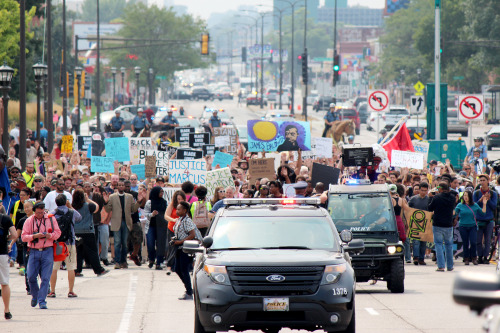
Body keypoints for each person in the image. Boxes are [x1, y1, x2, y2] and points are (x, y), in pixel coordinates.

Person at [21, 201, 61, 309]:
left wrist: (50, 235)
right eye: (38, 213)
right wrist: (34, 236)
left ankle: (42, 301)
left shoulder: (51, 219)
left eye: (42, 212)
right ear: (34, 212)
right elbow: (23, 237)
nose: (40, 215)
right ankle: (35, 295)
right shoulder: (29, 221)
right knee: (31, 277)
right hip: (33, 251)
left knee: (45, 278)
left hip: (48, 250)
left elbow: (58, 233)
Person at [48, 194, 82, 298]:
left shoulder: (53, 213)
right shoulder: (71, 212)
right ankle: (71, 290)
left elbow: (48, 223)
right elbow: (79, 218)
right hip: (70, 242)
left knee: (54, 268)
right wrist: (70, 206)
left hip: (57, 243)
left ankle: (52, 291)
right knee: (71, 267)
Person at [104, 180, 143, 269]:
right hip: (117, 222)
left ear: (124, 187)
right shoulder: (112, 197)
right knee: (117, 242)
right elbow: (108, 209)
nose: (121, 186)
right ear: (117, 186)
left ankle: (123, 261)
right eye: (119, 185)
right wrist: (106, 202)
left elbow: (133, 209)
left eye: (123, 185)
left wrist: (139, 202)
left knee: (125, 243)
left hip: (126, 222)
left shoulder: (129, 197)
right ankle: (117, 262)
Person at [71, 190, 108, 277]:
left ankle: (77, 270)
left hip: (76, 231)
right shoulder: (88, 206)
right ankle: (99, 270)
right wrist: (88, 199)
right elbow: (97, 207)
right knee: (92, 252)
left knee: (78, 252)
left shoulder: (72, 207)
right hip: (88, 231)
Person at [172, 201, 200, 300]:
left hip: (185, 248)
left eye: (179, 209)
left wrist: (180, 242)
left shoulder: (187, 220)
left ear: (185, 210)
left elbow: (192, 234)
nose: (177, 211)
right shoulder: (180, 219)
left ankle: (189, 291)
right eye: (177, 209)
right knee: (177, 269)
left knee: (183, 270)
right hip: (179, 248)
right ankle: (189, 289)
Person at [428, 182, 456, 272]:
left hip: (438, 224)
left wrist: (431, 197)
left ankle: (441, 266)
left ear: (440, 188)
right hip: (448, 224)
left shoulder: (437, 197)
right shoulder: (452, 197)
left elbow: (430, 208)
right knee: (449, 245)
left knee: (439, 244)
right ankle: (450, 266)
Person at [455, 190, 487, 266]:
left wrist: (484, 204)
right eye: (464, 195)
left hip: (472, 226)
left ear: (470, 196)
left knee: (473, 242)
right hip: (463, 226)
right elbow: (454, 213)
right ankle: (466, 258)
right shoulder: (460, 205)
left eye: (467, 195)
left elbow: (483, 213)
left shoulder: (475, 205)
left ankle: (474, 258)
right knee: (465, 243)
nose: (465, 197)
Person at [473, 174, 498, 264]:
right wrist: (481, 200)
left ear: (488, 181)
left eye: (484, 180)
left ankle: (485, 256)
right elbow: (473, 205)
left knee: (488, 240)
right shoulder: (476, 193)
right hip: (479, 219)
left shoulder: (493, 193)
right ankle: (479, 256)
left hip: (489, 220)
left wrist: (488, 199)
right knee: (478, 240)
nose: (482, 182)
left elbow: (494, 206)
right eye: (481, 180)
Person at [144, 187, 168, 270]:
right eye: (160, 192)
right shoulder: (149, 203)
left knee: (160, 244)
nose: (161, 194)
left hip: (161, 226)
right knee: (150, 243)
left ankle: (159, 262)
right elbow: (145, 214)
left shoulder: (164, 202)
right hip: (151, 225)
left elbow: (167, 214)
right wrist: (152, 214)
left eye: (162, 192)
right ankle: (151, 258)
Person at [0, 210, 17, 319]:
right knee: (4, 283)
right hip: (2, 253)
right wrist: (6, 239)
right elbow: (15, 234)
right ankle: (6, 310)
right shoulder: (5, 218)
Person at [408, 182, 430, 265]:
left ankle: (421, 258)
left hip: (426, 222)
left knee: (423, 242)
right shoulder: (413, 199)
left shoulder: (429, 199)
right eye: (422, 190)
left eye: (425, 190)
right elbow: (408, 208)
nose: (423, 192)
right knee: (416, 241)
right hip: (415, 222)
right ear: (419, 190)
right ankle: (416, 257)